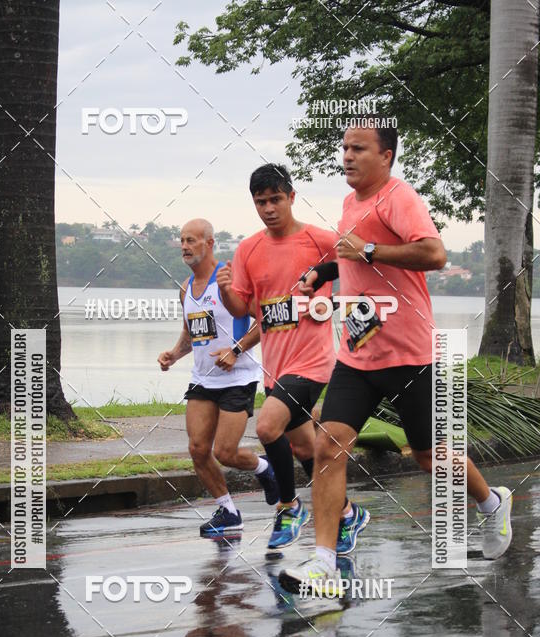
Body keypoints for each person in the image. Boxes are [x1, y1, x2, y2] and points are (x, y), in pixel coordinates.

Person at [280, 121, 513, 604]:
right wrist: (320, 273)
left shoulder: (400, 198)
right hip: (358, 354)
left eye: (358, 148)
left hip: (410, 356)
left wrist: (367, 249)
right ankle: (323, 564)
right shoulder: (350, 202)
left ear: (385, 156)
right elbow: (351, 259)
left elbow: (435, 253)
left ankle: (491, 503)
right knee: (329, 446)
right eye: (343, 147)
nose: (347, 156)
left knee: (430, 458)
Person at [217, 164, 369, 552]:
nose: (268, 208)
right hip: (276, 367)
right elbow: (243, 310)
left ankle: (289, 506)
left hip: (314, 362)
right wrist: (223, 292)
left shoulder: (319, 239)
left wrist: (334, 293)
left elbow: (358, 266)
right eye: (260, 202)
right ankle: (349, 512)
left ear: (291, 197)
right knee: (305, 450)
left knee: (267, 427)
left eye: (275, 199)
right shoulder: (249, 248)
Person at [158, 218, 279, 537]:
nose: (184, 246)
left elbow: (264, 319)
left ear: (210, 243)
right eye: (182, 240)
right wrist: (174, 353)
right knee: (198, 449)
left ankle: (266, 469)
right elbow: (191, 333)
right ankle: (228, 511)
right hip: (203, 379)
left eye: (192, 240)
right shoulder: (186, 289)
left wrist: (236, 350)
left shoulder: (230, 277)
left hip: (238, 377)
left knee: (226, 452)